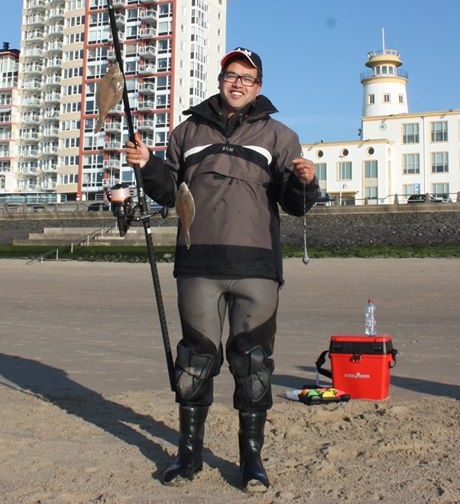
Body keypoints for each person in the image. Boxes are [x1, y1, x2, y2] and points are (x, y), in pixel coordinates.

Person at [126, 46, 319, 491]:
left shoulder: (280, 137)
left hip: (257, 265)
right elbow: (168, 192)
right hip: (198, 263)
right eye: (232, 75)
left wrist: (307, 182)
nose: (238, 84)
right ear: (220, 79)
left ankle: (251, 459)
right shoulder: (186, 132)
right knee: (194, 362)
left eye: (247, 79)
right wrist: (147, 165)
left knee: (253, 366)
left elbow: (294, 205)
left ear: (259, 88)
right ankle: (188, 455)